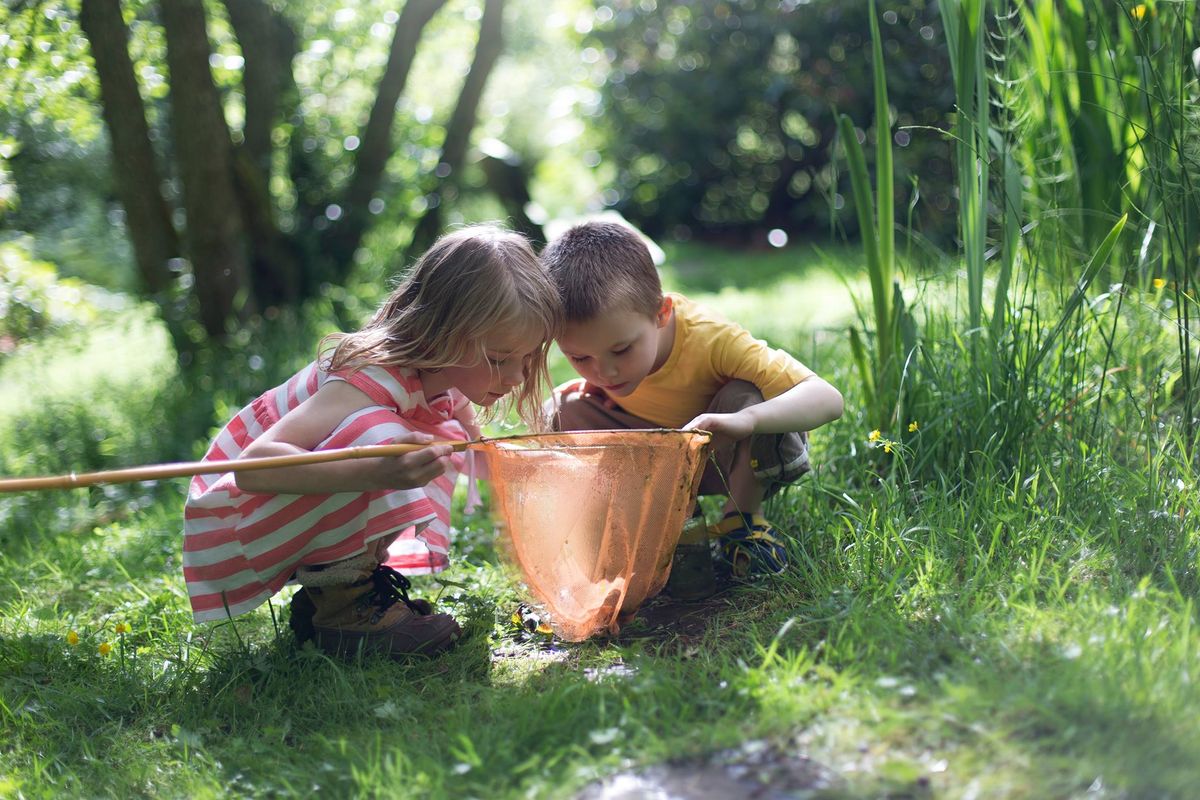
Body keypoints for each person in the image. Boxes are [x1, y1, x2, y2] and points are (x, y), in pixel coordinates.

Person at [183, 225, 561, 659]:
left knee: (435, 440)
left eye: (527, 359)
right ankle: (347, 612)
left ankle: (334, 597)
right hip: (232, 518)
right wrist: (377, 470)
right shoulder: (368, 380)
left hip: (280, 511)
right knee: (387, 440)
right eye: (498, 359)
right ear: (445, 331)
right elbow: (255, 468)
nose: (515, 378)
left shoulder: (445, 375)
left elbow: (478, 448)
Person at [542, 221, 843, 585]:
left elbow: (828, 399)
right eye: (580, 358)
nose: (603, 371)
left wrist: (746, 420)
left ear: (662, 313)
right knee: (562, 407)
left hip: (724, 456)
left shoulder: (711, 339)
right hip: (657, 462)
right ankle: (661, 524)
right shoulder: (606, 367)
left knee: (750, 394)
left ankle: (741, 521)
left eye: (621, 350)